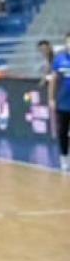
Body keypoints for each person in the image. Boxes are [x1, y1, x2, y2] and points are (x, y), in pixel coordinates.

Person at [52, 33, 70, 173]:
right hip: (63, 104)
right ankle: (64, 158)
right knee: (63, 132)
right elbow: (54, 81)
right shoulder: (59, 60)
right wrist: (51, 99)